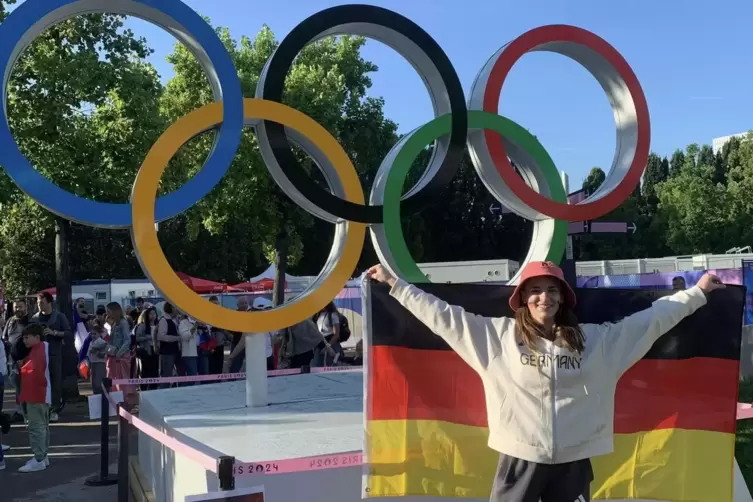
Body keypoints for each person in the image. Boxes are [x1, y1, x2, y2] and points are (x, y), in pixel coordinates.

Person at [366, 261, 724, 502]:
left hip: (574, 460)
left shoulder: (596, 341)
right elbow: (443, 316)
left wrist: (698, 292)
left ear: (563, 297)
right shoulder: (497, 338)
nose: (544, 297)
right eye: (535, 290)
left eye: (552, 290)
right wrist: (395, 285)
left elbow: (652, 320)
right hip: (519, 458)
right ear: (522, 297)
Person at [29, 292, 71, 422]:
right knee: (39, 382)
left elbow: (69, 333)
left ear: (49, 302)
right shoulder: (34, 319)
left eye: (41, 302)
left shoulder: (59, 317)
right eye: (37, 303)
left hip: (54, 354)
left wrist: (55, 333)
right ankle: (42, 408)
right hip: (38, 356)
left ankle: (54, 409)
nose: (39, 305)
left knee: (55, 382)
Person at [17, 324, 51, 473]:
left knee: (36, 428)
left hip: (36, 394)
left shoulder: (38, 351)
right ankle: (43, 456)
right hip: (42, 394)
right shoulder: (42, 348)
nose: (25, 340)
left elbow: (33, 372)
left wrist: (22, 367)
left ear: (37, 337)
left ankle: (39, 459)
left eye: (27, 337)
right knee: (42, 427)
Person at [227, 298, 274, 371]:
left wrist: (231, 357)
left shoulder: (252, 321)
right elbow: (242, 342)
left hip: (260, 358)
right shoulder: (268, 321)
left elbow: (242, 342)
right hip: (263, 357)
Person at [3, 299, 28, 422]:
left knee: (27, 387)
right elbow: (4, 337)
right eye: (16, 307)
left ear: (25, 307)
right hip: (12, 361)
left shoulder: (31, 321)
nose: (18, 309)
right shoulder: (10, 321)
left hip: (27, 360)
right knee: (17, 387)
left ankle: (28, 412)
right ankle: (20, 411)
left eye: (20, 306)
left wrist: (25, 358)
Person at [104, 302, 135, 404]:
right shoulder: (114, 324)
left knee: (122, 380)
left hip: (121, 357)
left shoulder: (123, 323)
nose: (107, 313)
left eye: (109, 311)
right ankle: (116, 401)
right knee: (113, 379)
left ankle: (125, 401)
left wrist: (119, 353)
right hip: (113, 356)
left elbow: (127, 340)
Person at [134, 307, 159, 390]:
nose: (153, 316)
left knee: (154, 371)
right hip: (146, 350)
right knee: (145, 371)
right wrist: (148, 337)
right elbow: (137, 338)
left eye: (154, 314)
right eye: (151, 314)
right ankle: (143, 388)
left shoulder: (157, 326)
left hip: (155, 350)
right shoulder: (142, 326)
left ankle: (153, 388)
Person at [157, 303, 181, 388]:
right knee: (167, 374)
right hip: (167, 352)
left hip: (176, 351)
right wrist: (177, 338)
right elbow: (161, 336)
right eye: (175, 307)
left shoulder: (174, 320)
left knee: (179, 372)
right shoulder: (164, 320)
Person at [311, 302, 342, 367]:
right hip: (320, 342)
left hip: (331, 343)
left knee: (332, 365)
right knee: (317, 365)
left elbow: (336, 334)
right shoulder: (318, 315)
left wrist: (328, 346)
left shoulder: (333, 315)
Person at [87, 321, 108, 395]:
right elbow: (89, 354)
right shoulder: (91, 342)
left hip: (100, 363)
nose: (93, 335)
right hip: (93, 363)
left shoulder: (101, 342)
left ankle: (101, 397)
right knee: (93, 382)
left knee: (98, 383)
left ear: (100, 333)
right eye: (91, 334)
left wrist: (100, 352)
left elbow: (105, 352)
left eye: (95, 333)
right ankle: (96, 398)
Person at [178, 312, 198, 385]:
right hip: (190, 353)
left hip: (203, 351)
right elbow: (185, 337)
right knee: (192, 375)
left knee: (204, 374)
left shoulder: (202, 322)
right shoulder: (183, 323)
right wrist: (195, 327)